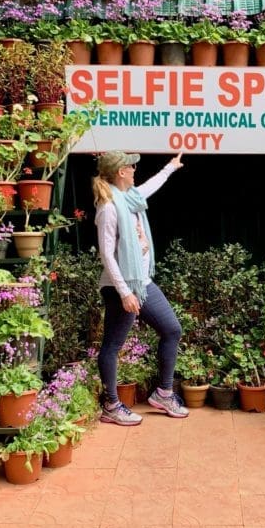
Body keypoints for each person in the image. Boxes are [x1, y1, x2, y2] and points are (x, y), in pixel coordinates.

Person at [92, 150, 188, 425]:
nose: (135, 170)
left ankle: (164, 394)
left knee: (171, 329)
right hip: (120, 287)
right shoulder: (109, 207)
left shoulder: (129, 199)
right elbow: (107, 255)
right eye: (132, 166)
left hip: (142, 283)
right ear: (121, 172)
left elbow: (149, 187)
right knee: (112, 345)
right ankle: (111, 405)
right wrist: (124, 292)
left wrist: (170, 167)